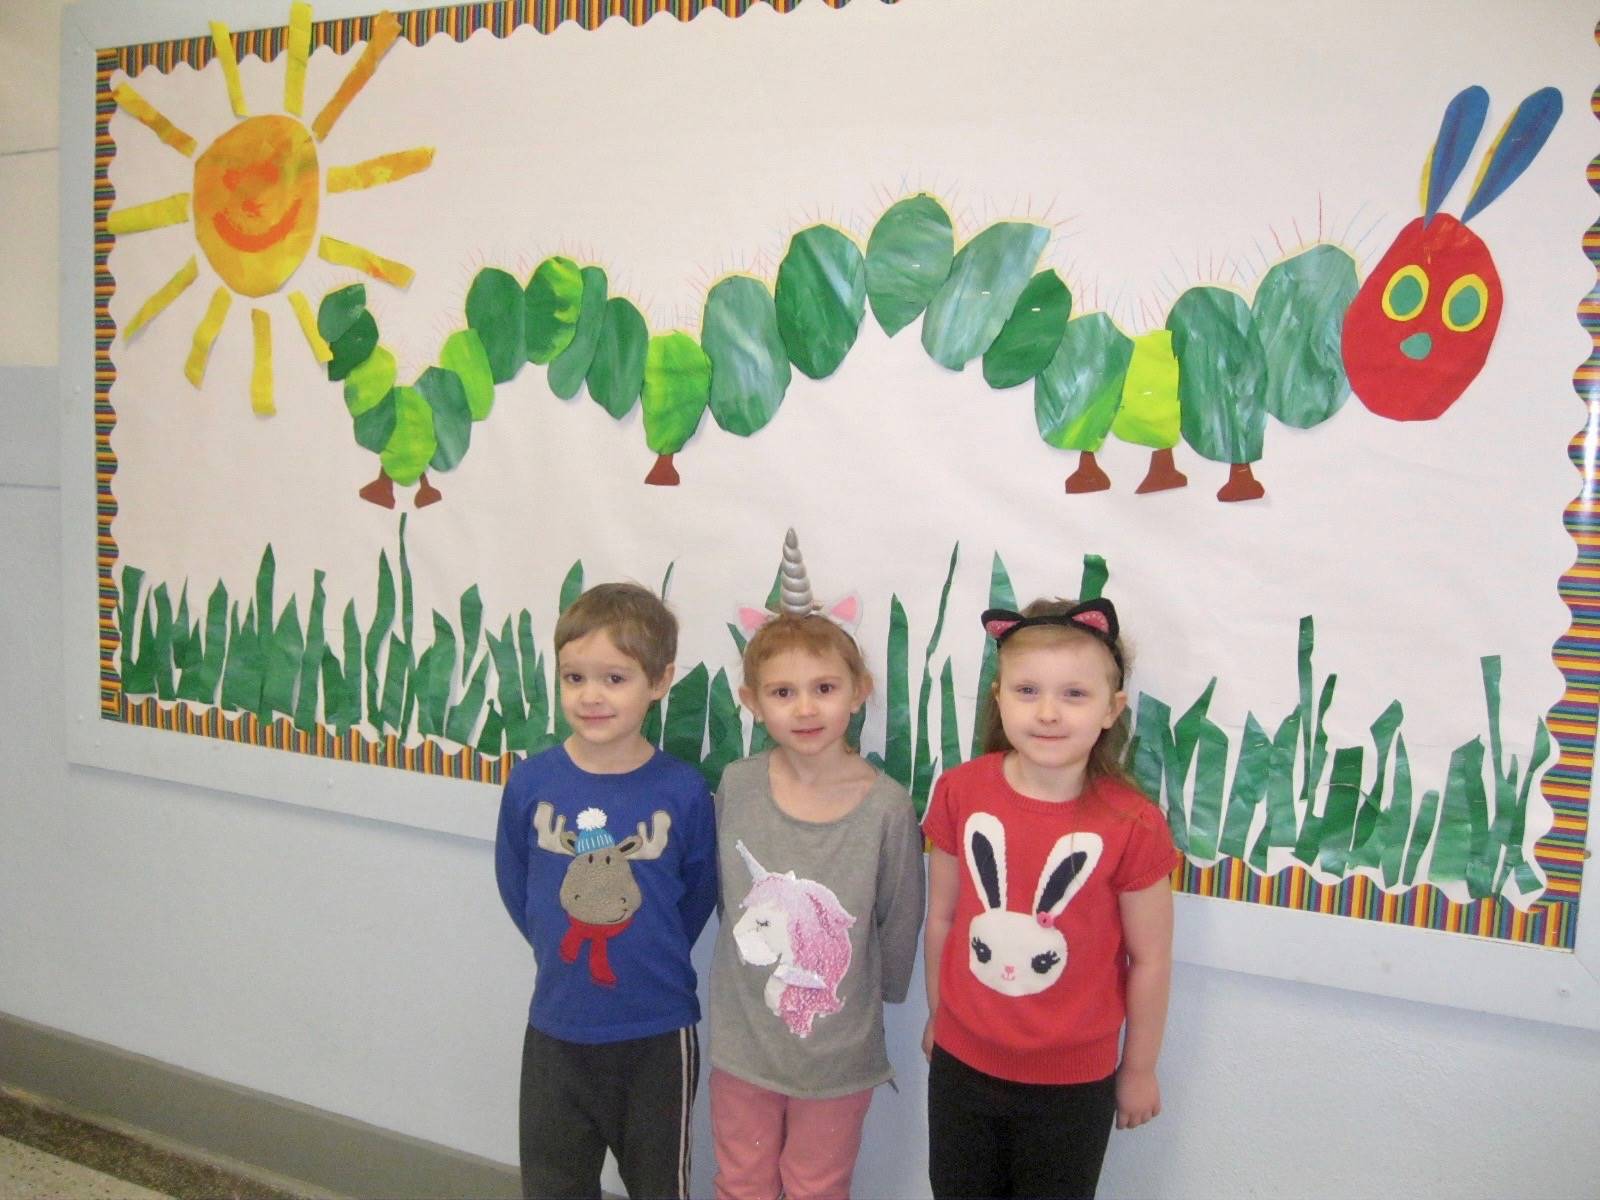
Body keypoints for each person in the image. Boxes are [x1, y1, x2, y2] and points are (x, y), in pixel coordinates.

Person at [921, 597, 1178, 1200]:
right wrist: (938, 1013)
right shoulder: (961, 792)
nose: (1048, 713)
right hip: (962, 1067)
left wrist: (1137, 1069)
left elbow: (1152, 959)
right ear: (998, 697)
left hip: (1074, 1085)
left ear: (1112, 709)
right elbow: (941, 919)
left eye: (1074, 694)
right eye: (1028, 690)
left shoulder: (1132, 823)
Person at [708, 537, 925, 1200]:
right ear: (752, 700)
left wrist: (880, 997)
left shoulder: (887, 806)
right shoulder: (737, 786)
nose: (805, 708)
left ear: (859, 692)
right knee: (741, 1181)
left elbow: (900, 917)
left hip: (838, 1054)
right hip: (743, 1044)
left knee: (816, 1186)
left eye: (824, 688)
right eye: (783, 692)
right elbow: (729, 900)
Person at [494, 582, 718, 1200]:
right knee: (553, 1183)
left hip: (657, 1035)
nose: (591, 695)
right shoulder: (533, 782)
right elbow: (519, 886)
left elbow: (695, 896)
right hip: (557, 1027)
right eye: (574, 678)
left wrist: (639, 941)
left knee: (658, 1186)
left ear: (660, 680)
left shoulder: (683, 790)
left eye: (614, 678)